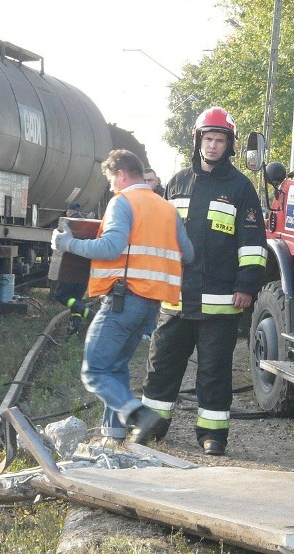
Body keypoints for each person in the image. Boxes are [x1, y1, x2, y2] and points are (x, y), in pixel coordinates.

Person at [141, 107, 267, 456]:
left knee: (213, 372)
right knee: (161, 366)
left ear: (230, 145)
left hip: (220, 301)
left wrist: (246, 286)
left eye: (220, 140)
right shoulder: (177, 183)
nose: (213, 146)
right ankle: (151, 427)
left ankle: (212, 436)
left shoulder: (241, 189)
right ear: (198, 140)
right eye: (208, 139)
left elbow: (254, 245)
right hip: (176, 300)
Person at [52, 149, 194, 444]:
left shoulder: (123, 202)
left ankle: (139, 415)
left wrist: (69, 244)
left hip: (123, 299)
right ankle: (113, 438)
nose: (110, 187)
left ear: (121, 174)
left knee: (95, 371)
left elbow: (110, 248)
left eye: (110, 180)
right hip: (151, 305)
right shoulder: (166, 208)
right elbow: (188, 253)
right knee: (115, 368)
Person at [52, 202, 93, 333]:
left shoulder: (67, 224)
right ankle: (74, 328)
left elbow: (58, 244)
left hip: (69, 269)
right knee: (76, 300)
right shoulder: (89, 224)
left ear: (69, 211)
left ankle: (90, 314)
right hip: (84, 271)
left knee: (61, 295)